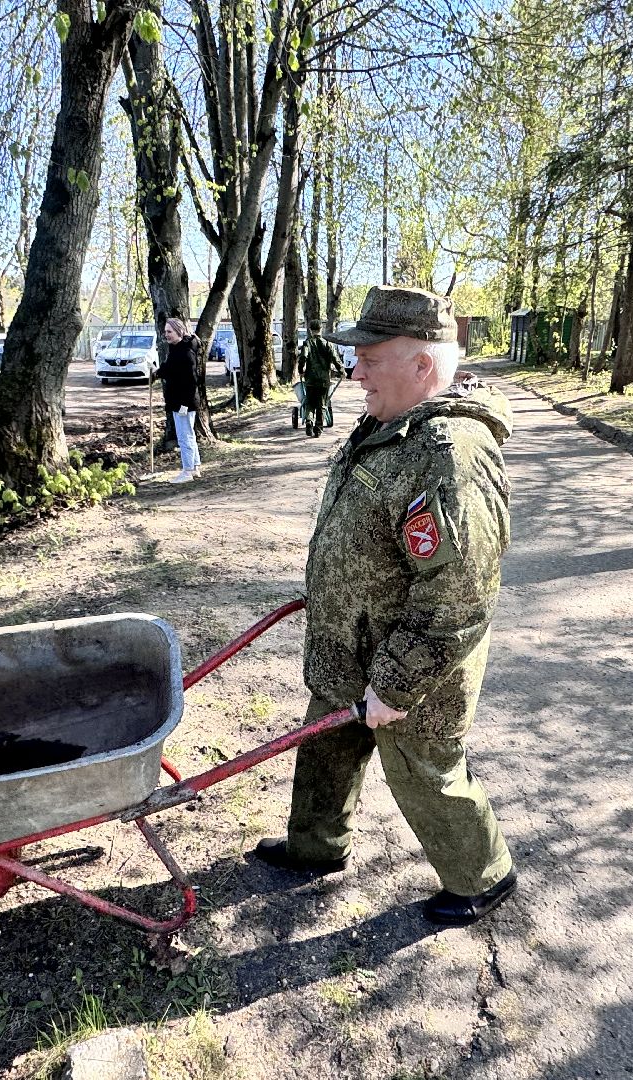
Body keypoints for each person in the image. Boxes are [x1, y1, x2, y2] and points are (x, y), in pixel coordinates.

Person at [255, 285, 517, 927]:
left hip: (408, 668)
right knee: (327, 747)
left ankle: (482, 878)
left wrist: (396, 688)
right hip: (350, 644)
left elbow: (457, 598)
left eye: (370, 357)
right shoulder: (388, 425)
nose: (354, 369)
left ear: (423, 364)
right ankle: (316, 848)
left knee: (425, 770)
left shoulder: (447, 456)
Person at [160, 316, 202, 484]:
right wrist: (157, 371)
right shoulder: (176, 349)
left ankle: (188, 471)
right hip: (180, 401)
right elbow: (171, 369)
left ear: (179, 332)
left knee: (185, 437)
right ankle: (196, 466)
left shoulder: (185, 352)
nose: (166, 335)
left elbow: (191, 382)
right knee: (188, 435)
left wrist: (184, 404)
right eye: (165, 332)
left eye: (169, 332)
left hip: (184, 402)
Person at [300, 319, 344, 438]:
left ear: (310, 330)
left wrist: (300, 370)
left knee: (309, 402)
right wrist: (342, 371)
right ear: (321, 329)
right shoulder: (328, 344)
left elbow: (303, 356)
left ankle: (309, 421)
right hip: (324, 380)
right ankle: (318, 428)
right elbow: (335, 358)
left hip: (310, 379)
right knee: (322, 404)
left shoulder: (307, 343)